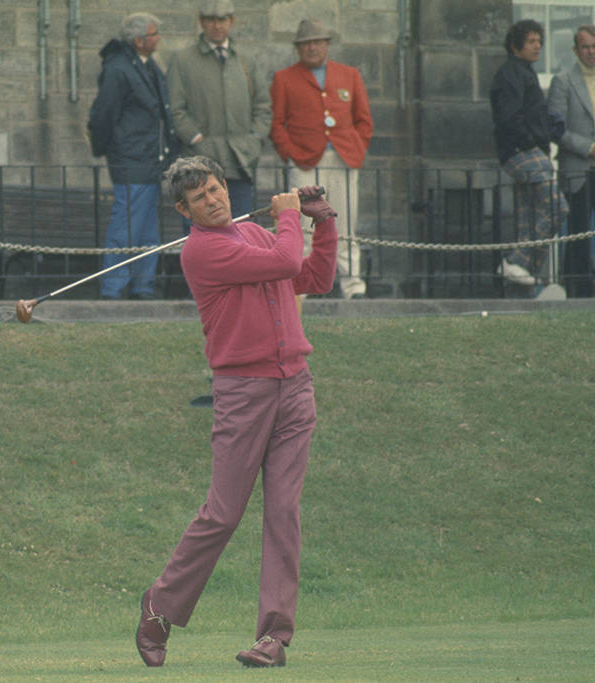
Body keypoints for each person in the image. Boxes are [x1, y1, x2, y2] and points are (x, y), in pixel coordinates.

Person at [135, 156, 336, 669]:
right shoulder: (202, 252)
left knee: (283, 512)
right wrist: (290, 216)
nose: (216, 198)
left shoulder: (257, 235)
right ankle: (160, 606)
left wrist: (323, 222)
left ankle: (274, 637)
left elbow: (313, 274)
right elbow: (288, 261)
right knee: (222, 513)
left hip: (294, 384)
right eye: (201, 196)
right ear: (184, 210)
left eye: (218, 188)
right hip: (243, 392)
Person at [269, 19, 373, 299]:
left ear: (327, 44)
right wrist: (290, 154)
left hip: (343, 158)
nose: (312, 47)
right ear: (298, 48)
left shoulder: (349, 75)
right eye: (306, 43)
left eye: (317, 41)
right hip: (305, 161)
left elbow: (364, 121)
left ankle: (353, 286)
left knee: (345, 223)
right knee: (303, 225)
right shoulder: (285, 78)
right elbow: (276, 125)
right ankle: (300, 287)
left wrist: (356, 149)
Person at [87, 12, 179, 300]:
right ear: (139, 41)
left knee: (148, 230)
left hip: (150, 159)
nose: (158, 39)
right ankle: (112, 289)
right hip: (132, 159)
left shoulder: (146, 65)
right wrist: (108, 150)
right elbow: (103, 115)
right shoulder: (118, 68)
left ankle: (143, 286)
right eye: (153, 35)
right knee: (126, 227)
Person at [166, 0, 272, 219]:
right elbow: (176, 110)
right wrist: (197, 140)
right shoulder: (182, 60)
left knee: (241, 226)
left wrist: (254, 139)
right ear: (201, 22)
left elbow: (263, 107)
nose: (217, 26)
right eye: (211, 20)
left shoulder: (247, 60)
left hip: (240, 162)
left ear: (232, 21)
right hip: (198, 164)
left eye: (222, 19)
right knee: (202, 231)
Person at [490, 19, 569, 289]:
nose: (538, 46)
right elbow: (509, 118)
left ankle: (525, 276)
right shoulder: (511, 73)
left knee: (530, 217)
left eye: (539, 41)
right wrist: (532, 142)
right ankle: (516, 262)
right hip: (522, 150)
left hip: (527, 148)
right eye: (532, 41)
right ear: (516, 45)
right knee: (557, 208)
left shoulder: (523, 71)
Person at [547, 25, 595, 298]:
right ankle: (577, 290)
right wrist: (588, 148)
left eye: (594, 46)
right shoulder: (563, 81)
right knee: (577, 231)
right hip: (579, 169)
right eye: (585, 47)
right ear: (576, 50)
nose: (591, 52)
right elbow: (557, 130)